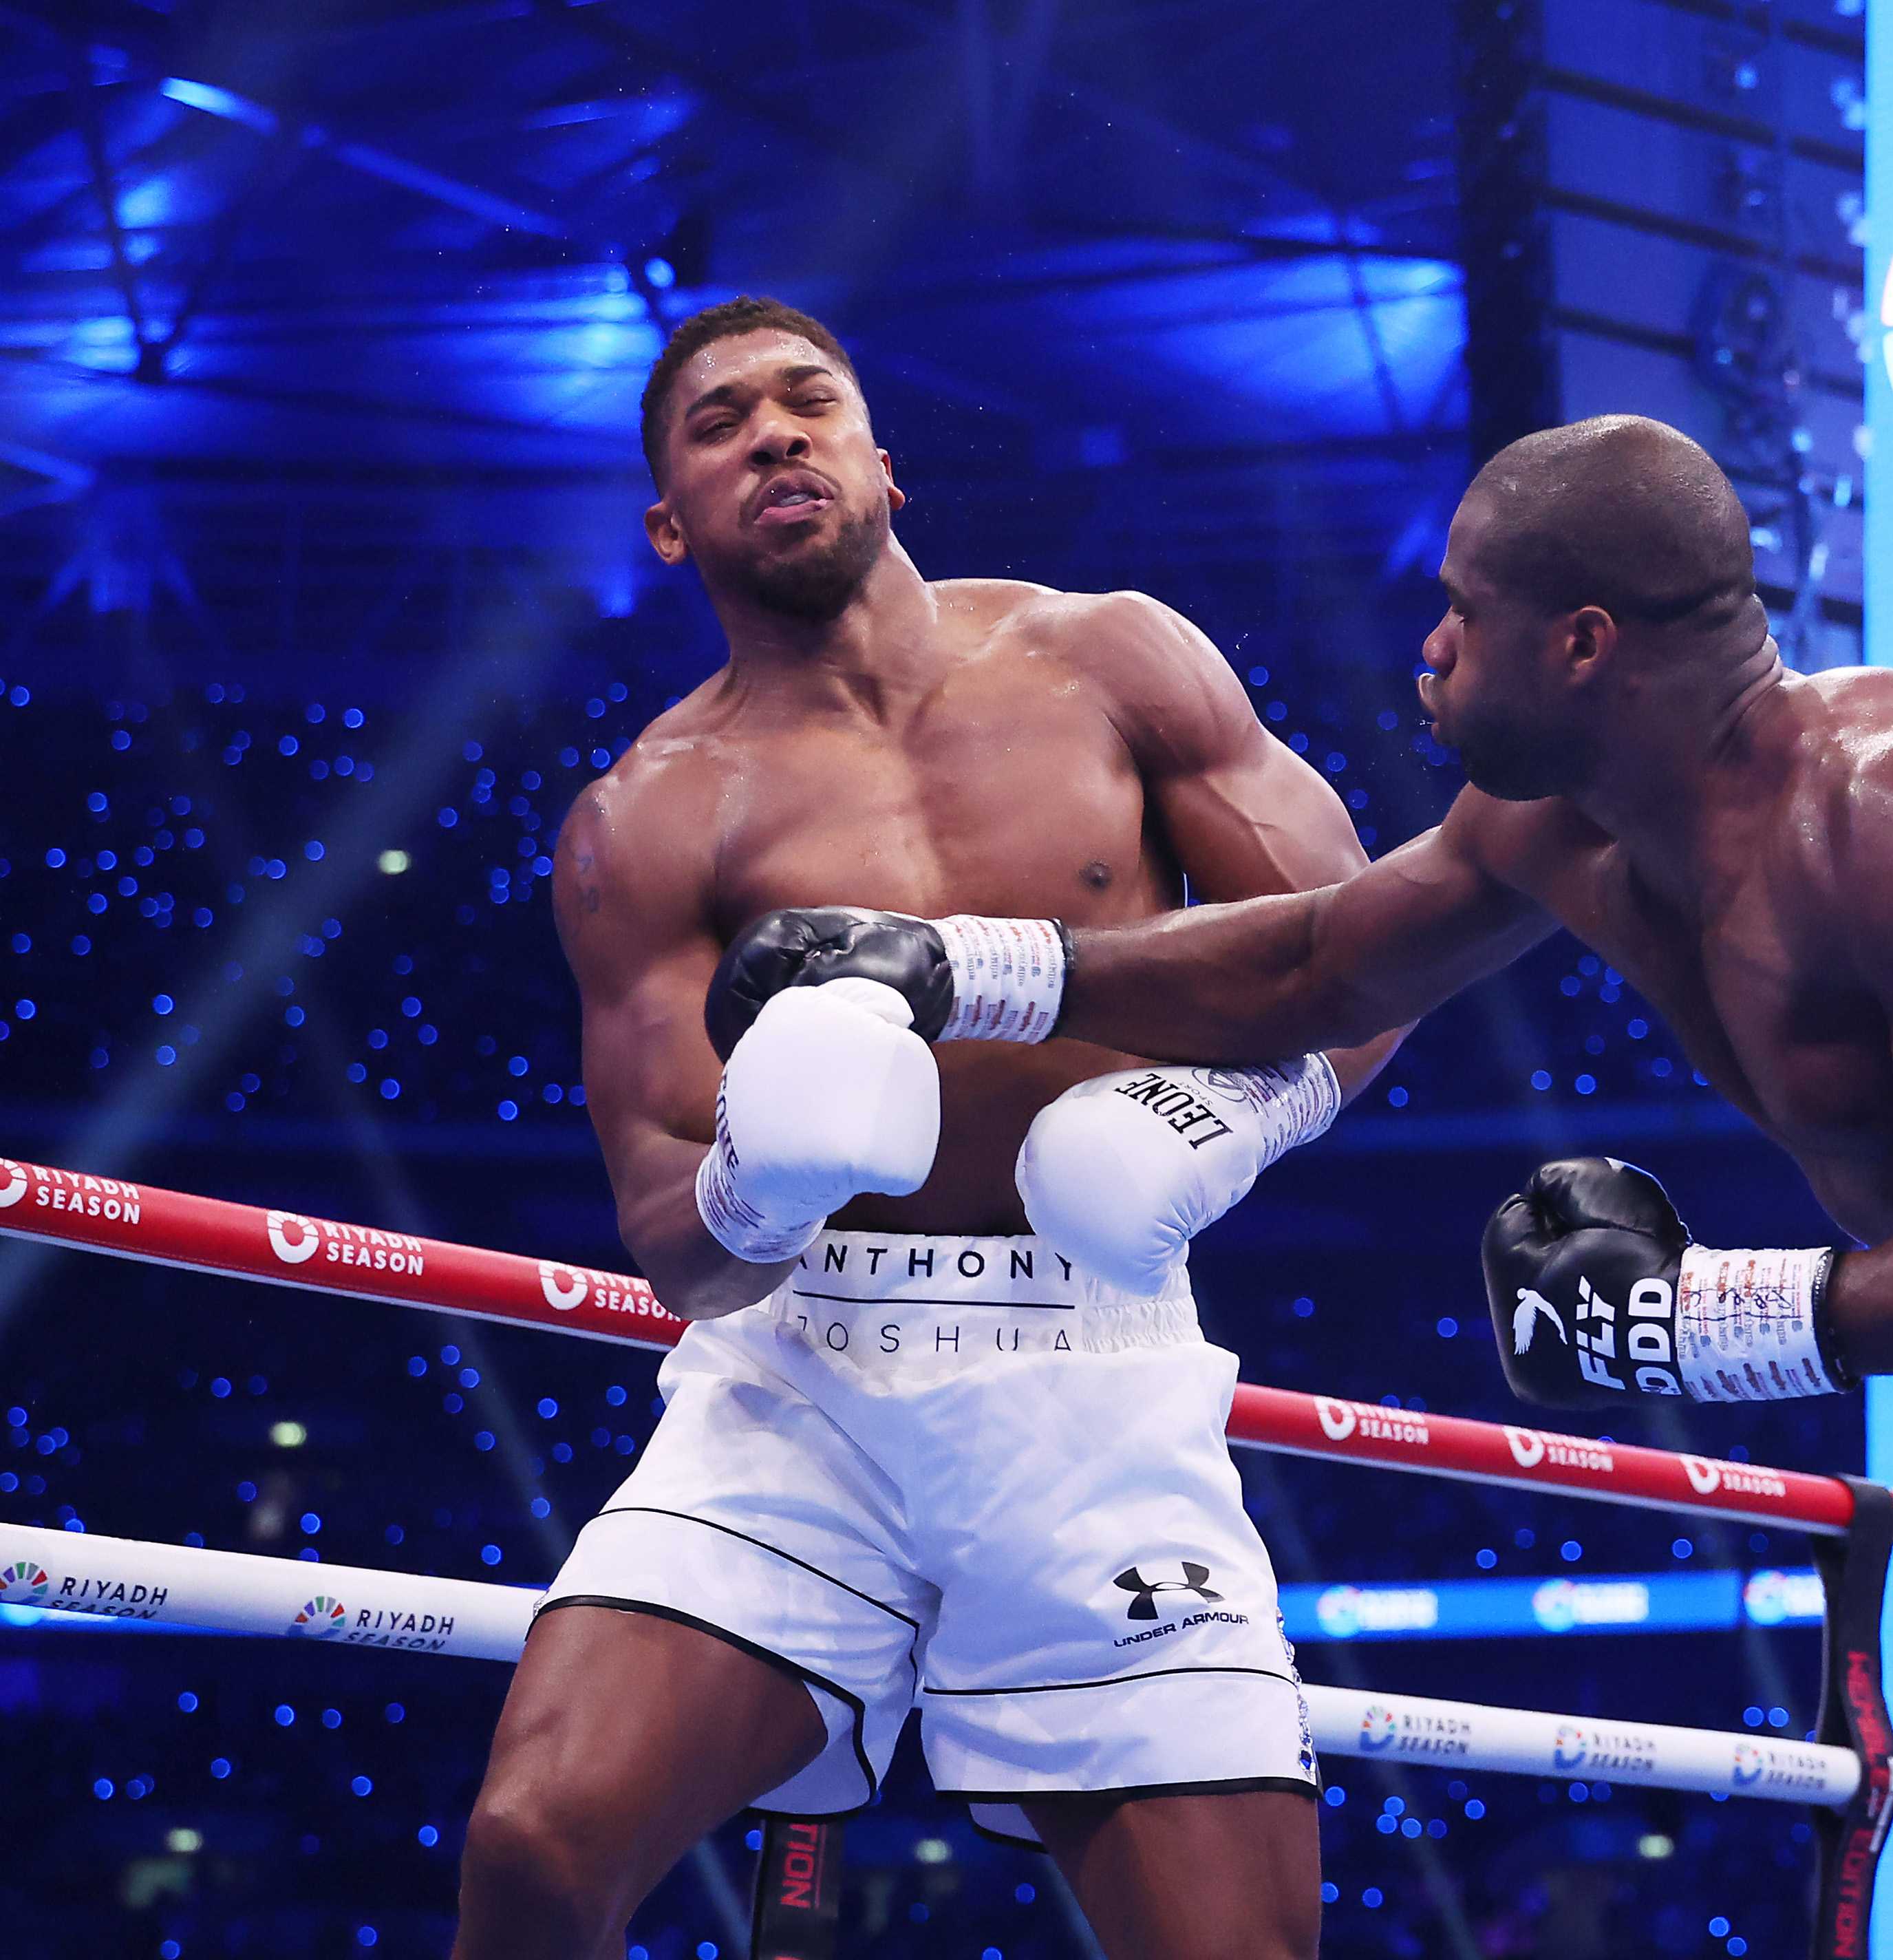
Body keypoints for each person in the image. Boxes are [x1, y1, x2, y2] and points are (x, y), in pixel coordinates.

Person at [734, 416, 1893, 1957]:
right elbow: (1315, 966)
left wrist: (1707, 1316)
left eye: (1464, 612)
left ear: (1586, 645)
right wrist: (968, 966)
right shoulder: (1559, 825)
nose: (1427, 648)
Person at [453, 295, 1392, 1960]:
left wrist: (1226, 1120)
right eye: (721, 421)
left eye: (808, 398)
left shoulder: (1110, 657)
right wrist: (758, 1178)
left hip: (1092, 1371)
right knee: (536, 1843)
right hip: (801, 1379)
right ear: (672, 521)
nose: (774, 432)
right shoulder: (648, 816)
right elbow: (664, 1218)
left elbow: (1362, 950)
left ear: (885, 458)